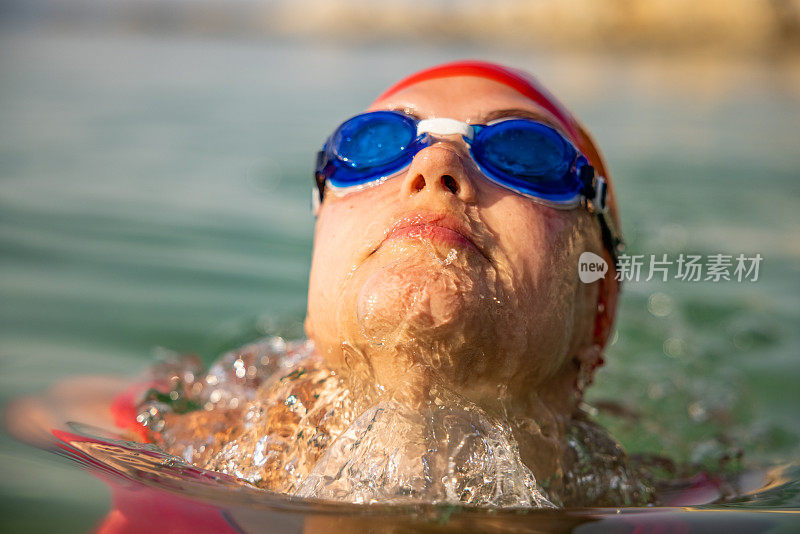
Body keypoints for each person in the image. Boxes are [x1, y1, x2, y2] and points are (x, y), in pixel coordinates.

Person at [8, 61, 652, 509]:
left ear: (595, 309)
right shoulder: (154, 444)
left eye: (524, 152)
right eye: (374, 145)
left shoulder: (686, 512)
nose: (436, 165)